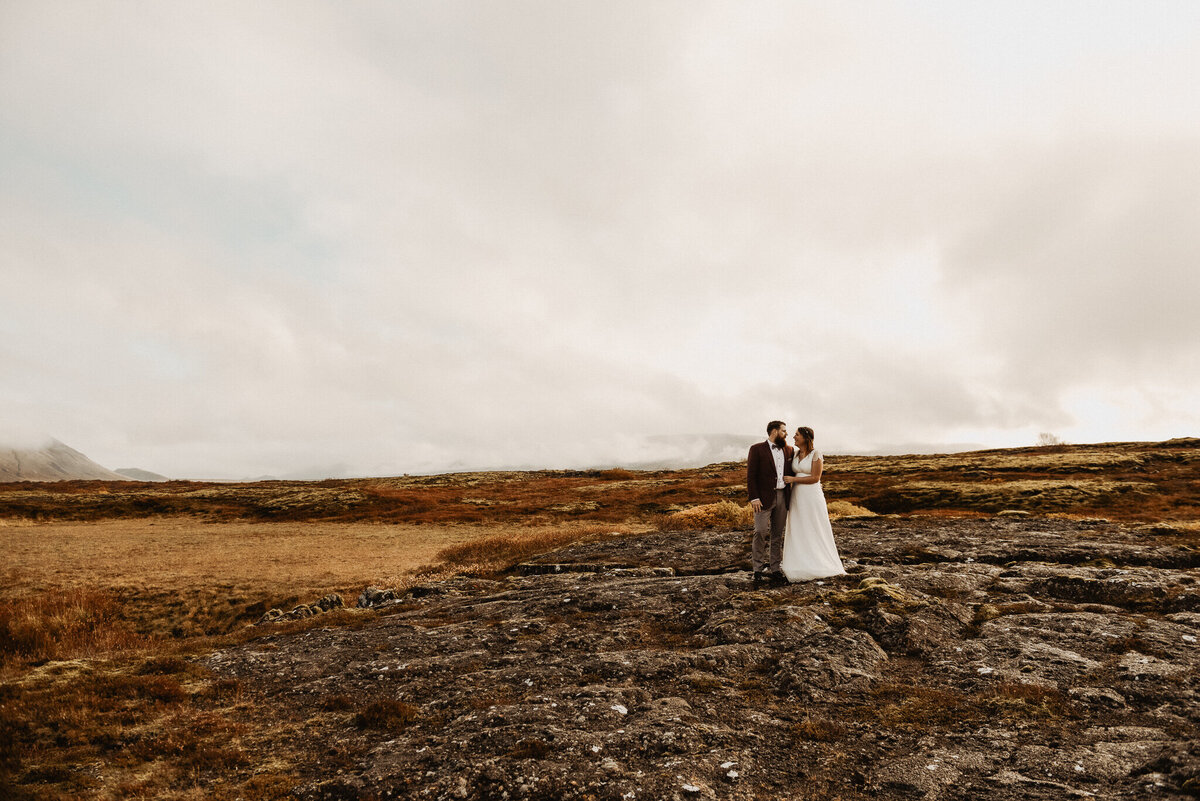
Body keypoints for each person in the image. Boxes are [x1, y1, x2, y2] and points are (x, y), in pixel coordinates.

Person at [780, 426, 846, 582]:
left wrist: (794, 479)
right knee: (799, 525)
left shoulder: (816, 454)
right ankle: (799, 561)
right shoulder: (795, 454)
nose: (794, 437)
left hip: (811, 495)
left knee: (813, 525)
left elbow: (816, 477)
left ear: (805, 437)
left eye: (797, 435)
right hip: (797, 496)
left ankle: (818, 562)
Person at [746, 420, 794, 585]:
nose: (786, 434)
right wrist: (754, 497)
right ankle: (757, 570)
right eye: (783, 431)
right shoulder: (756, 449)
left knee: (777, 534)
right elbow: (751, 476)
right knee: (760, 532)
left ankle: (775, 569)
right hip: (763, 498)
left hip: (783, 496)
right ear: (774, 431)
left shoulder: (789, 450)